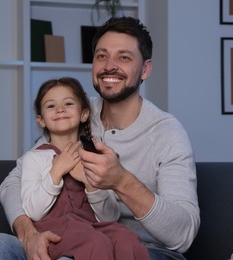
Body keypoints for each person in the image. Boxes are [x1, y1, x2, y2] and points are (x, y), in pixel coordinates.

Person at [0, 16, 200, 260]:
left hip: (145, 251)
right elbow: (12, 183)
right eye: (102, 56)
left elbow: (183, 235)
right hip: (72, 239)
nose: (109, 66)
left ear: (145, 69)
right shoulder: (76, 112)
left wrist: (121, 181)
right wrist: (28, 234)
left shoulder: (167, 133)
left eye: (124, 57)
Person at [20, 77, 150, 260]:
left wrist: (91, 184)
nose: (60, 109)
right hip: (55, 231)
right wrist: (56, 171)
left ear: (84, 114)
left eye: (68, 103)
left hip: (91, 227)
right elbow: (32, 211)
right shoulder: (34, 158)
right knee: (95, 242)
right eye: (51, 106)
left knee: (127, 239)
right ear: (41, 120)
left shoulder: (95, 157)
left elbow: (110, 217)